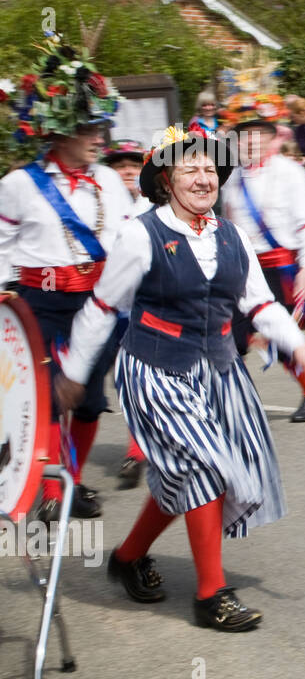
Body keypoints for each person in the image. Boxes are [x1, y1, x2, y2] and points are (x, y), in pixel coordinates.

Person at [57, 127, 305, 632]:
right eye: (191, 168)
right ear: (166, 181)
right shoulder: (142, 234)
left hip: (218, 369)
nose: (204, 176)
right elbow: (102, 307)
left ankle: (127, 557)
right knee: (208, 466)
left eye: (210, 168)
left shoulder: (232, 235)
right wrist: (74, 372)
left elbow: (261, 303)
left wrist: (302, 349)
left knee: (179, 474)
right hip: (155, 368)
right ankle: (211, 594)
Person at [0, 33, 132, 521]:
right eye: (90, 128)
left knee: (92, 401)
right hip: (41, 304)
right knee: (53, 398)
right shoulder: (17, 185)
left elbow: (127, 242)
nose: (101, 136)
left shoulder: (110, 181)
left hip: (97, 306)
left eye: (102, 125)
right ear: (59, 132)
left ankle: (69, 481)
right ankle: (53, 495)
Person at [221, 94, 305, 423]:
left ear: (271, 136)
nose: (250, 141)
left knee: (282, 339)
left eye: (257, 133)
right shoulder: (230, 177)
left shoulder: (290, 172)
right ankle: (234, 403)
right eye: (244, 134)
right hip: (239, 268)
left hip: (279, 268)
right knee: (228, 339)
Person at [102, 141, 153, 489]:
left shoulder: (153, 204)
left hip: (142, 308)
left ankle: (137, 452)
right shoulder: (95, 203)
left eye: (134, 163)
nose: (127, 169)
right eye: (119, 164)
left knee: (134, 381)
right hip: (99, 308)